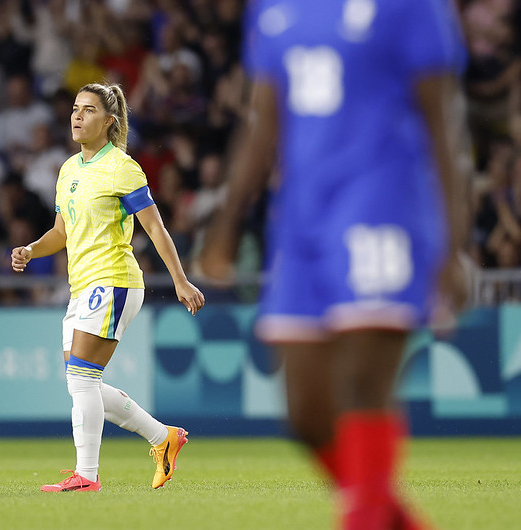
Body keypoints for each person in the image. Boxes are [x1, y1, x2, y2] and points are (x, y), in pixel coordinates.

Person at [200, 0, 468, 528]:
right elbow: (264, 118)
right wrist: (227, 218)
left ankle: (363, 517)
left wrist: (453, 243)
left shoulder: (411, 7)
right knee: (306, 412)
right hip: (301, 219)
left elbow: (444, 124)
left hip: (382, 205)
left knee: (362, 387)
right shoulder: (272, 9)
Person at [12, 82, 205, 492]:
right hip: (82, 286)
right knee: (83, 382)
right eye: (75, 108)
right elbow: (60, 232)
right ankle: (163, 438)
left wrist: (180, 279)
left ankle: (87, 475)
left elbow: (155, 227)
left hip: (114, 280)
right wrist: (31, 249)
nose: (78, 116)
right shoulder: (68, 170)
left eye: (89, 110)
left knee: (81, 379)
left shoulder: (122, 167)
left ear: (109, 122)